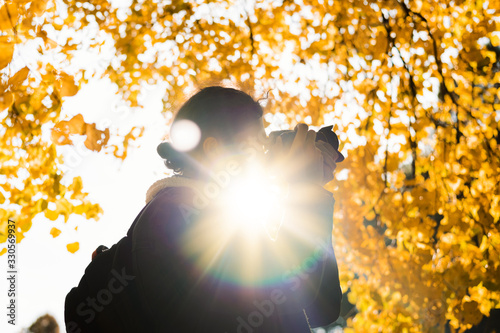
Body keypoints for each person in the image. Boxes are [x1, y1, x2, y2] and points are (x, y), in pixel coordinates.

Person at [65, 86, 343, 333]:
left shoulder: (230, 224)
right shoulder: (173, 214)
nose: (265, 152)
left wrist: (309, 193)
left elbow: (322, 306)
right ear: (215, 150)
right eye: (257, 142)